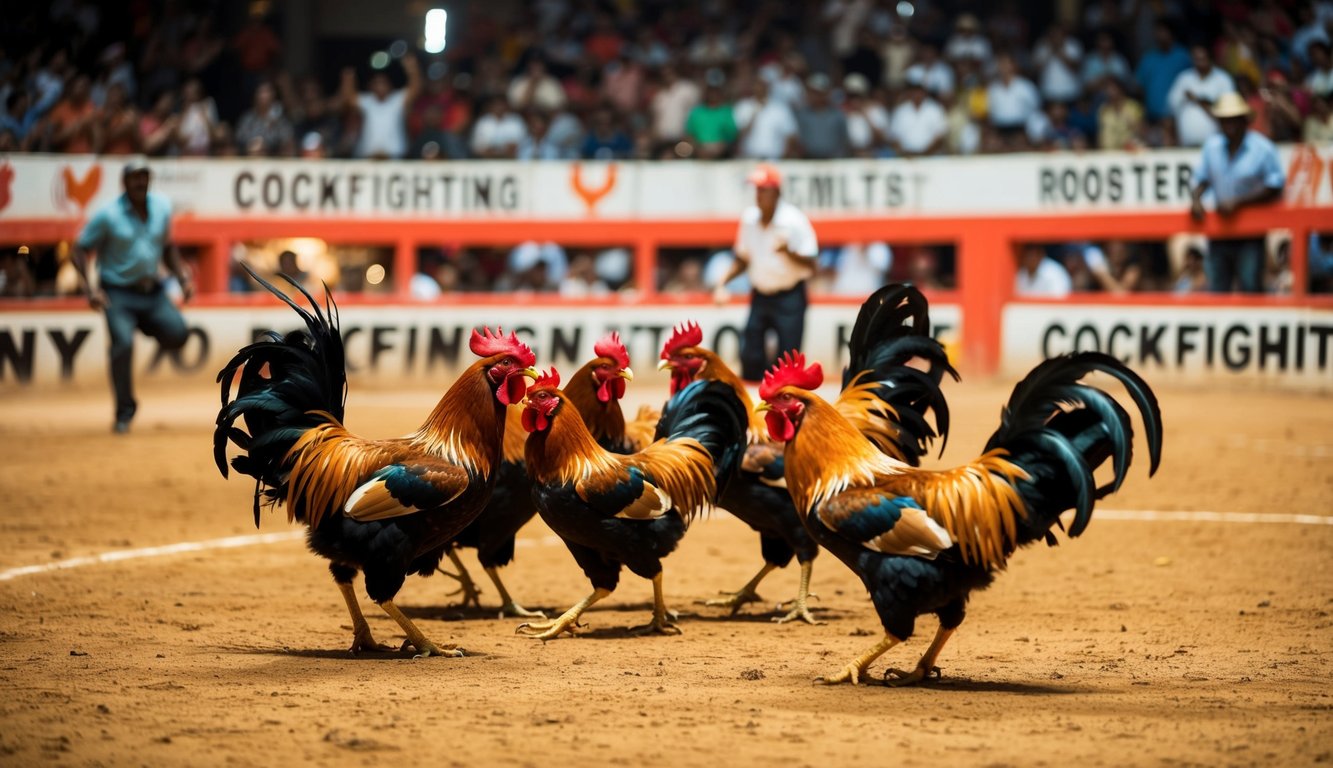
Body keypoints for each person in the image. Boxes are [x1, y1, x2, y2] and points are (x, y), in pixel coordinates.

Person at [70, 159, 193, 434]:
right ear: (124, 182)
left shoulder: (161, 207)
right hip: (118, 294)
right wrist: (89, 289)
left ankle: (142, 324)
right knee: (122, 345)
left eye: (144, 176)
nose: (140, 182)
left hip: (153, 292)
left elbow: (168, 247)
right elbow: (78, 249)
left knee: (179, 334)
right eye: (135, 177)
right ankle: (124, 412)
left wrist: (182, 277)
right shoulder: (108, 215)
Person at [712, 164, 819, 382]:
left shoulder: (794, 221)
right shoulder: (749, 219)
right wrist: (721, 283)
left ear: (777, 192)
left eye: (763, 189)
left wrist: (789, 253)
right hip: (761, 294)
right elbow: (743, 259)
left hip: (790, 296)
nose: (758, 195)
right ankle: (753, 407)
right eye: (757, 189)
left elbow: (811, 264)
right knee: (750, 357)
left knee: (788, 363)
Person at [1189, 92, 1286, 293]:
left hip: (1250, 231)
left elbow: (1275, 186)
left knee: (1250, 287)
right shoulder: (1212, 147)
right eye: (1225, 121)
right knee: (1217, 289)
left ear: (1244, 121)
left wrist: (1239, 203)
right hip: (1219, 230)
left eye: (1234, 121)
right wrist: (1196, 199)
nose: (1229, 126)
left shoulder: (1262, 148)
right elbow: (1201, 179)